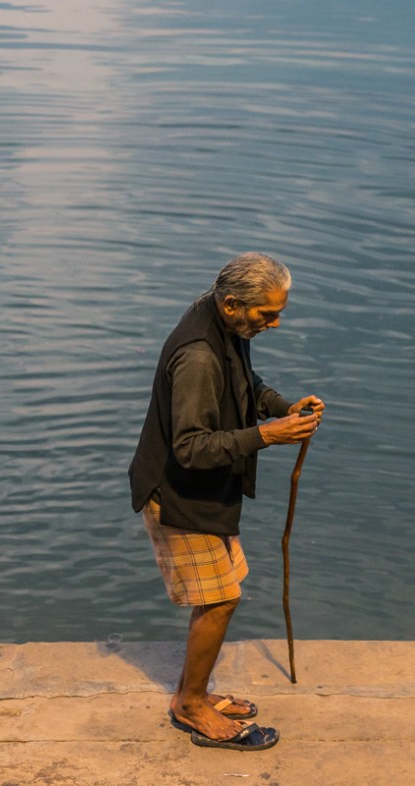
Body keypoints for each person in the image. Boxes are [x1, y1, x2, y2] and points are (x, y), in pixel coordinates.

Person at [129, 252, 324, 751]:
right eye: (267, 314)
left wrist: (282, 407)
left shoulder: (222, 319)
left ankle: (194, 691)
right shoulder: (197, 356)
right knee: (220, 597)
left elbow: (245, 383)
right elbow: (190, 448)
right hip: (177, 493)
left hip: (205, 490)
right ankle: (190, 705)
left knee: (226, 588)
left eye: (278, 311)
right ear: (233, 303)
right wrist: (268, 434)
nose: (275, 323)